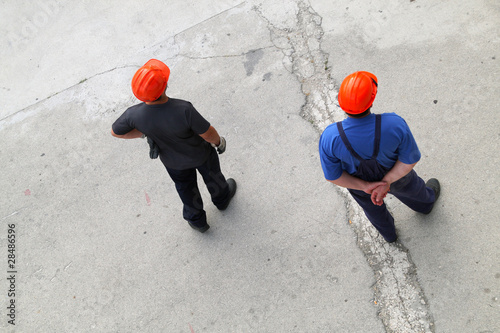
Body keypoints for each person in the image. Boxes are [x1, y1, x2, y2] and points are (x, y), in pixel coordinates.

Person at [111, 59, 236, 233]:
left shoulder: (133, 115)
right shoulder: (183, 109)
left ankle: (197, 221)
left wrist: (144, 133)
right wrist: (218, 142)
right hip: (202, 155)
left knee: (185, 188)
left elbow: (116, 132)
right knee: (213, 176)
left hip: (173, 163)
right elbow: (207, 132)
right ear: (164, 86)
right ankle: (222, 200)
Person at [319, 71, 440, 242]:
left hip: (360, 185)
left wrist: (366, 186)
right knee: (415, 191)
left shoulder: (330, 137)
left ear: (340, 102)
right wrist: (386, 182)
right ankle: (426, 206)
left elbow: (333, 176)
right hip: (396, 175)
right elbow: (409, 159)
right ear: (372, 99)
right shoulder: (394, 124)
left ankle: (389, 235)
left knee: (373, 210)